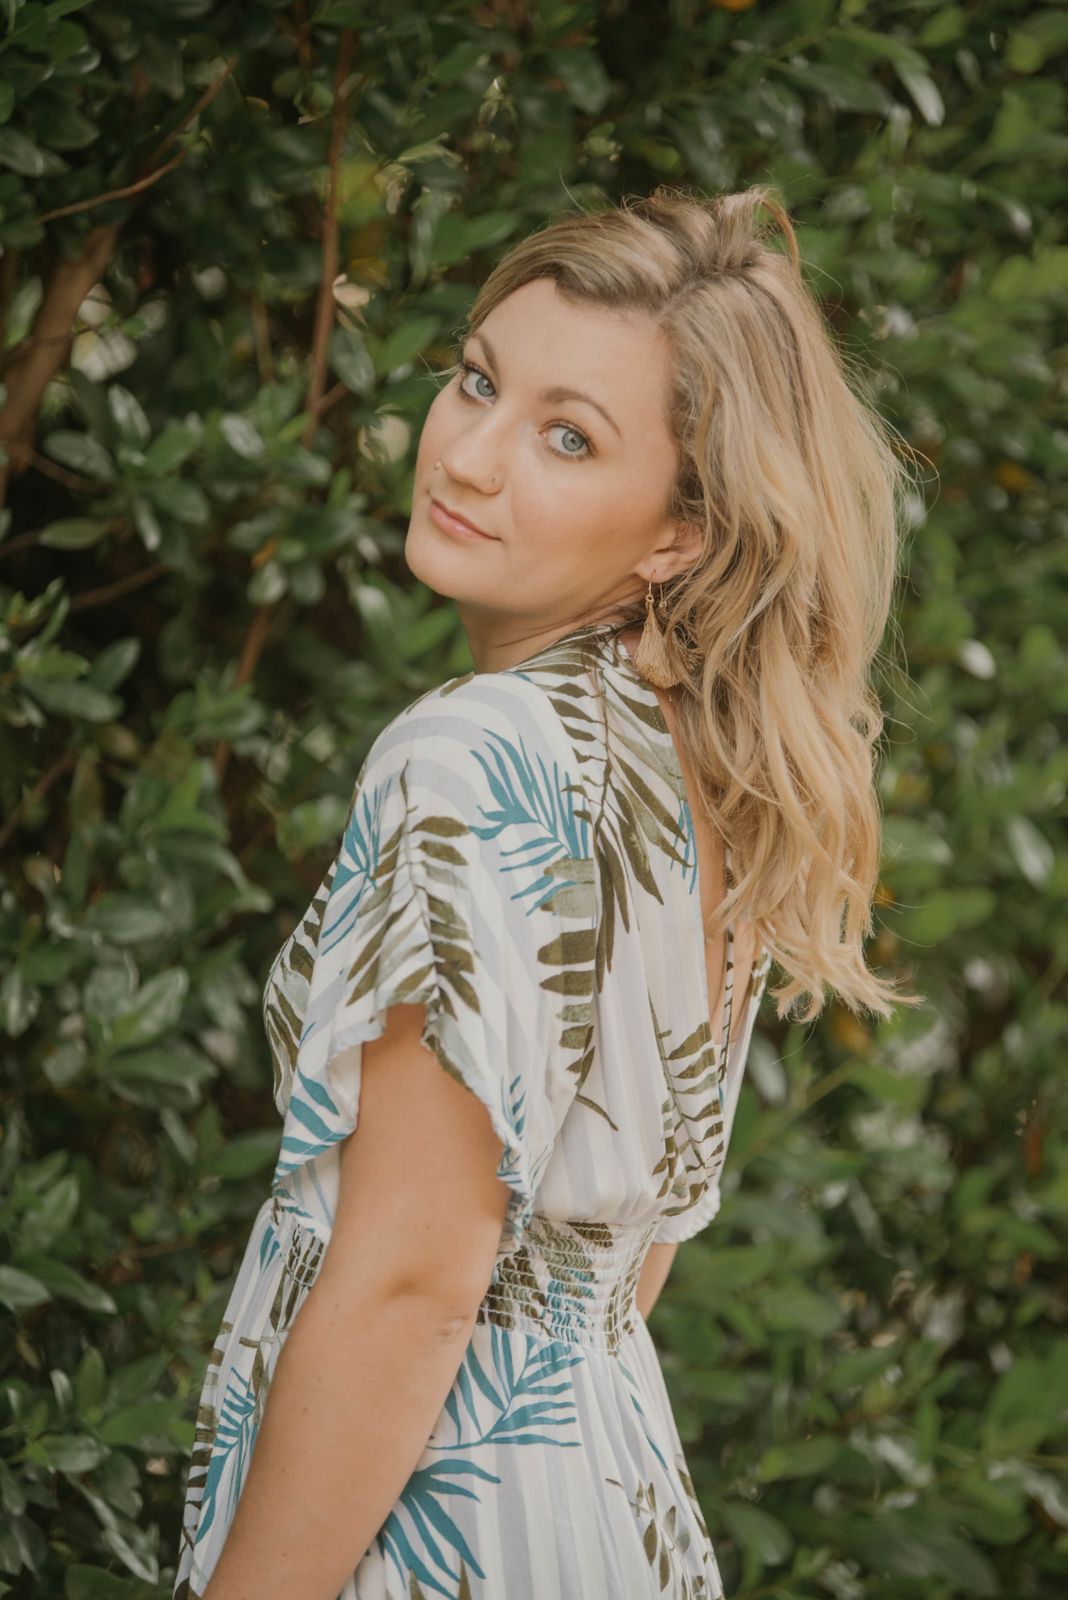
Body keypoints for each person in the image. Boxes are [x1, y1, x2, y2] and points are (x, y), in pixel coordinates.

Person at [173, 184, 921, 1600]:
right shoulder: (709, 766)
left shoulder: (471, 758)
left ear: (679, 533)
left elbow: (411, 1286)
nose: (469, 455)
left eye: (567, 436)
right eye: (477, 382)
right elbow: (629, 1258)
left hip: (424, 1523)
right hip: (601, 1500)